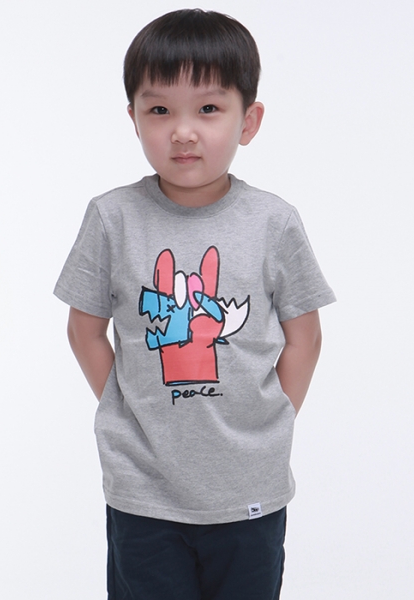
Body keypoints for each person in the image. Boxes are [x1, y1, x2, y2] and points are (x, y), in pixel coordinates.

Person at [54, 8, 336, 600]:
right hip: (143, 490)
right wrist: (126, 406)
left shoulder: (274, 222)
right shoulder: (111, 218)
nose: (183, 131)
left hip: (250, 488)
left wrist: (273, 419)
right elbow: (84, 330)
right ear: (134, 119)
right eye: (160, 110)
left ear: (248, 120)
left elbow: (305, 336)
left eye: (208, 108)